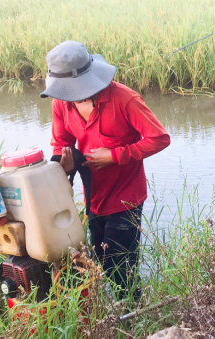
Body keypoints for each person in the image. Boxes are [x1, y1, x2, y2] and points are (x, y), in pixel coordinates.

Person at [40, 40, 170, 299]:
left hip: (125, 197)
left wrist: (115, 155)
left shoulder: (124, 99)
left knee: (121, 267)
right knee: (101, 260)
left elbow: (159, 138)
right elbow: (60, 142)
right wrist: (62, 164)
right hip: (94, 196)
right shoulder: (61, 103)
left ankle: (133, 314)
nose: (69, 95)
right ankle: (117, 312)